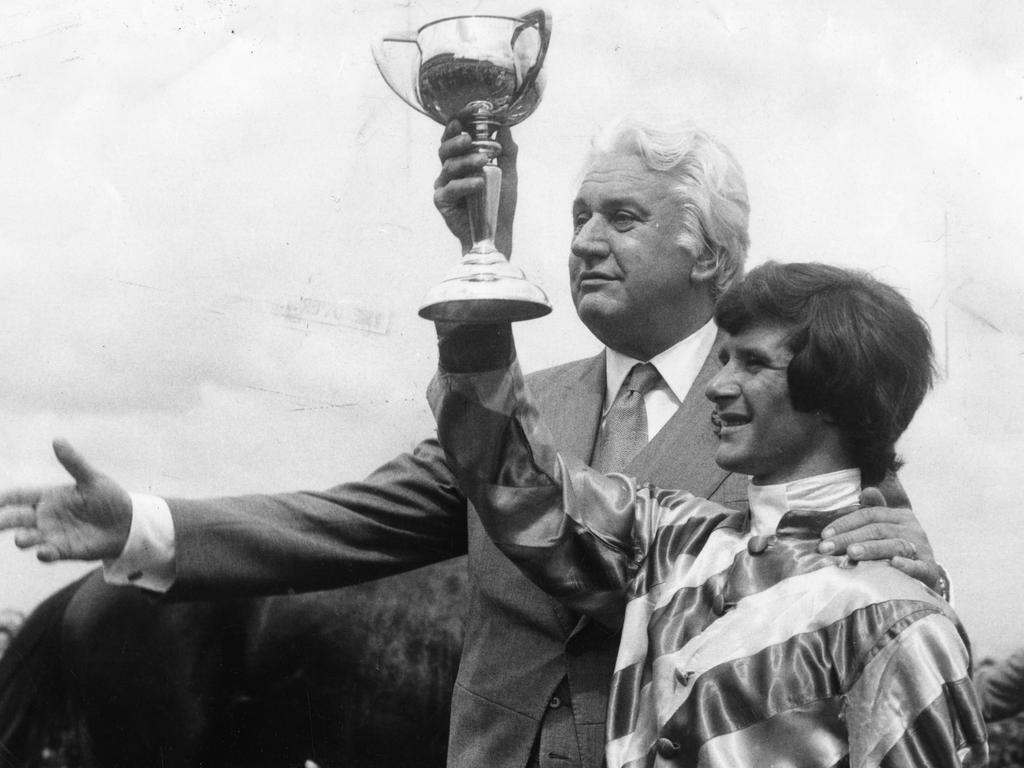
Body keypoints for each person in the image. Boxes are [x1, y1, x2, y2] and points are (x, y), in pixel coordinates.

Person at [0, 117, 942, 768]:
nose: (582, 243)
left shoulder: (794, 412)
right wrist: (143, 525)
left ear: (710, 256)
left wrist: (914, 553)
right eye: (576, 216)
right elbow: (348, 522)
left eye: (622, 218)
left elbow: (871, 567)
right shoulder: (517, 407)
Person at [428, 261, 987, 767]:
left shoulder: (898, 620)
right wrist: (480, 282)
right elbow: (520, 483)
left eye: (752, 363)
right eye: (723, 360)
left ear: (832, 392)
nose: (716, 387)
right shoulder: (675, 537)